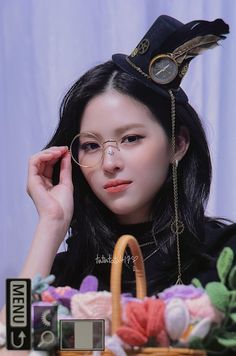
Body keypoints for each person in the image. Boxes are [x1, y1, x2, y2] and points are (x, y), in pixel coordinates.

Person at [24, 15, 236, 296]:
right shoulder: (67, 272)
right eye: (91, 145)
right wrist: (50, 224)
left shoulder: (224, 256)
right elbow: (16, 335)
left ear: (178, 144)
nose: (110, 163)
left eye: (131, 138)